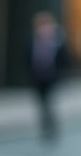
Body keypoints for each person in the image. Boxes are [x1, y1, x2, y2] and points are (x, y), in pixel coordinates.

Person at [27, 11, 68, 142]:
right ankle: (45, 126)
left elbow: (65, 60)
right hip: (38, 78)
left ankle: (51, 127)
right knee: (41, 104)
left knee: (49, 103)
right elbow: (27, 58)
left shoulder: (58, 42)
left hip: (52, 77)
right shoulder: (32, 41)